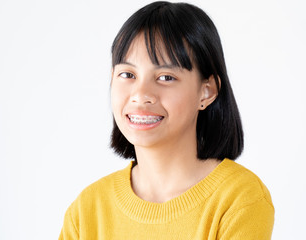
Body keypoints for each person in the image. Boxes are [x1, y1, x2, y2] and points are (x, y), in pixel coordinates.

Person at [58, 1, 274, 239]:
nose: (141, 95)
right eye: (127, 74)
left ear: (207, 91)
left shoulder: (240, 199)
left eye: (165, 77)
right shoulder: (87, 209)